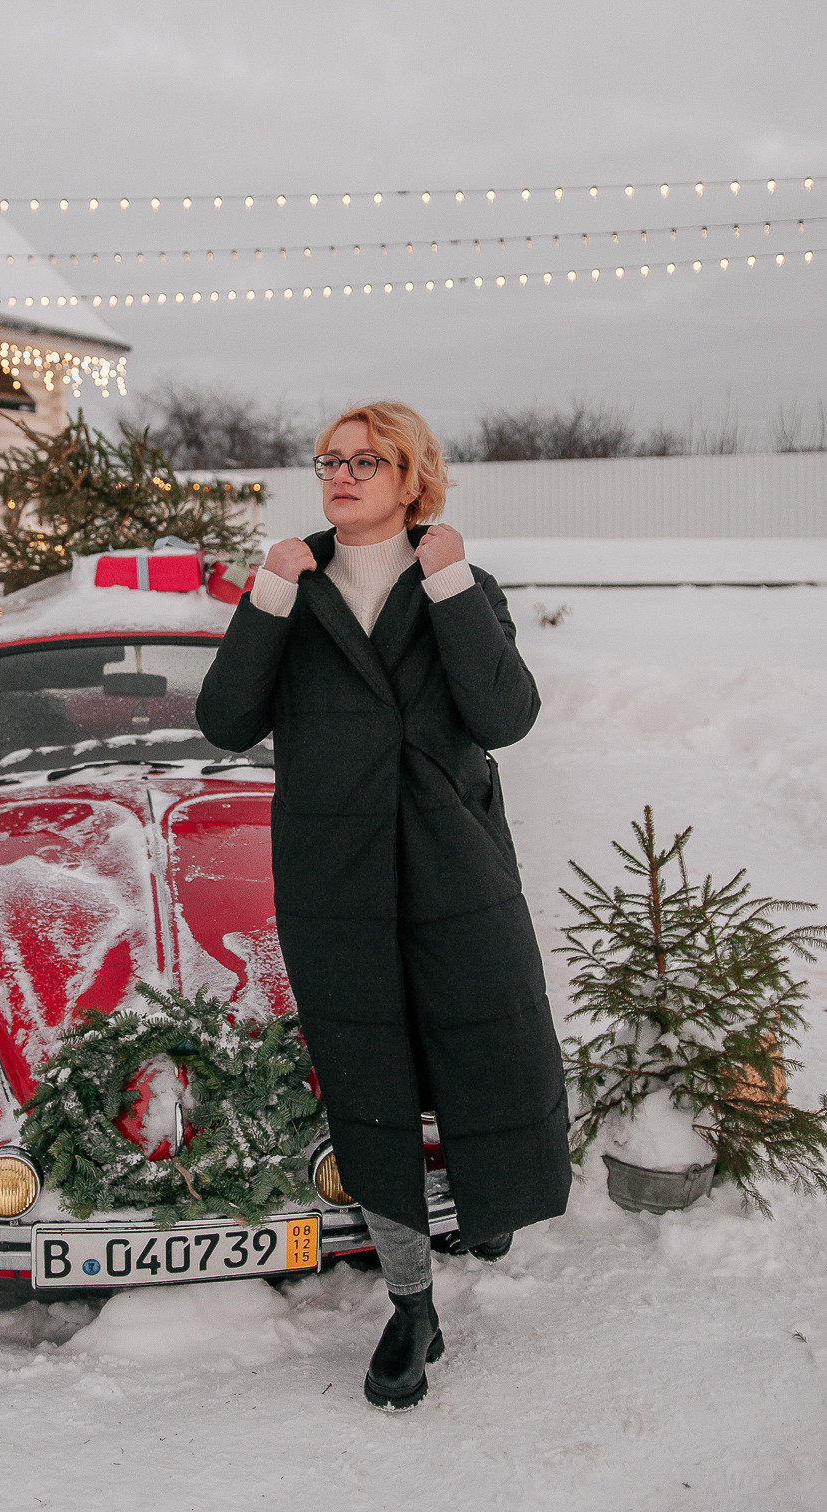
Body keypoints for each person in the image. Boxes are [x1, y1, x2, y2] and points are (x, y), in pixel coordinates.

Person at [196, 400, 570, 1410]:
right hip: (336, 880)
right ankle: (411, 1301)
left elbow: (503, 715)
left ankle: (484, 1208)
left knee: (482, 1050)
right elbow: (224, 722)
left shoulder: (460, 584)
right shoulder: (294, 589)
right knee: (372, 1087)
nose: (342, 475)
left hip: (455, 873)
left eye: (368, 460)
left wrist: (445, 577)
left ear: (411, 480)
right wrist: (268, 590)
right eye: (329, 460)